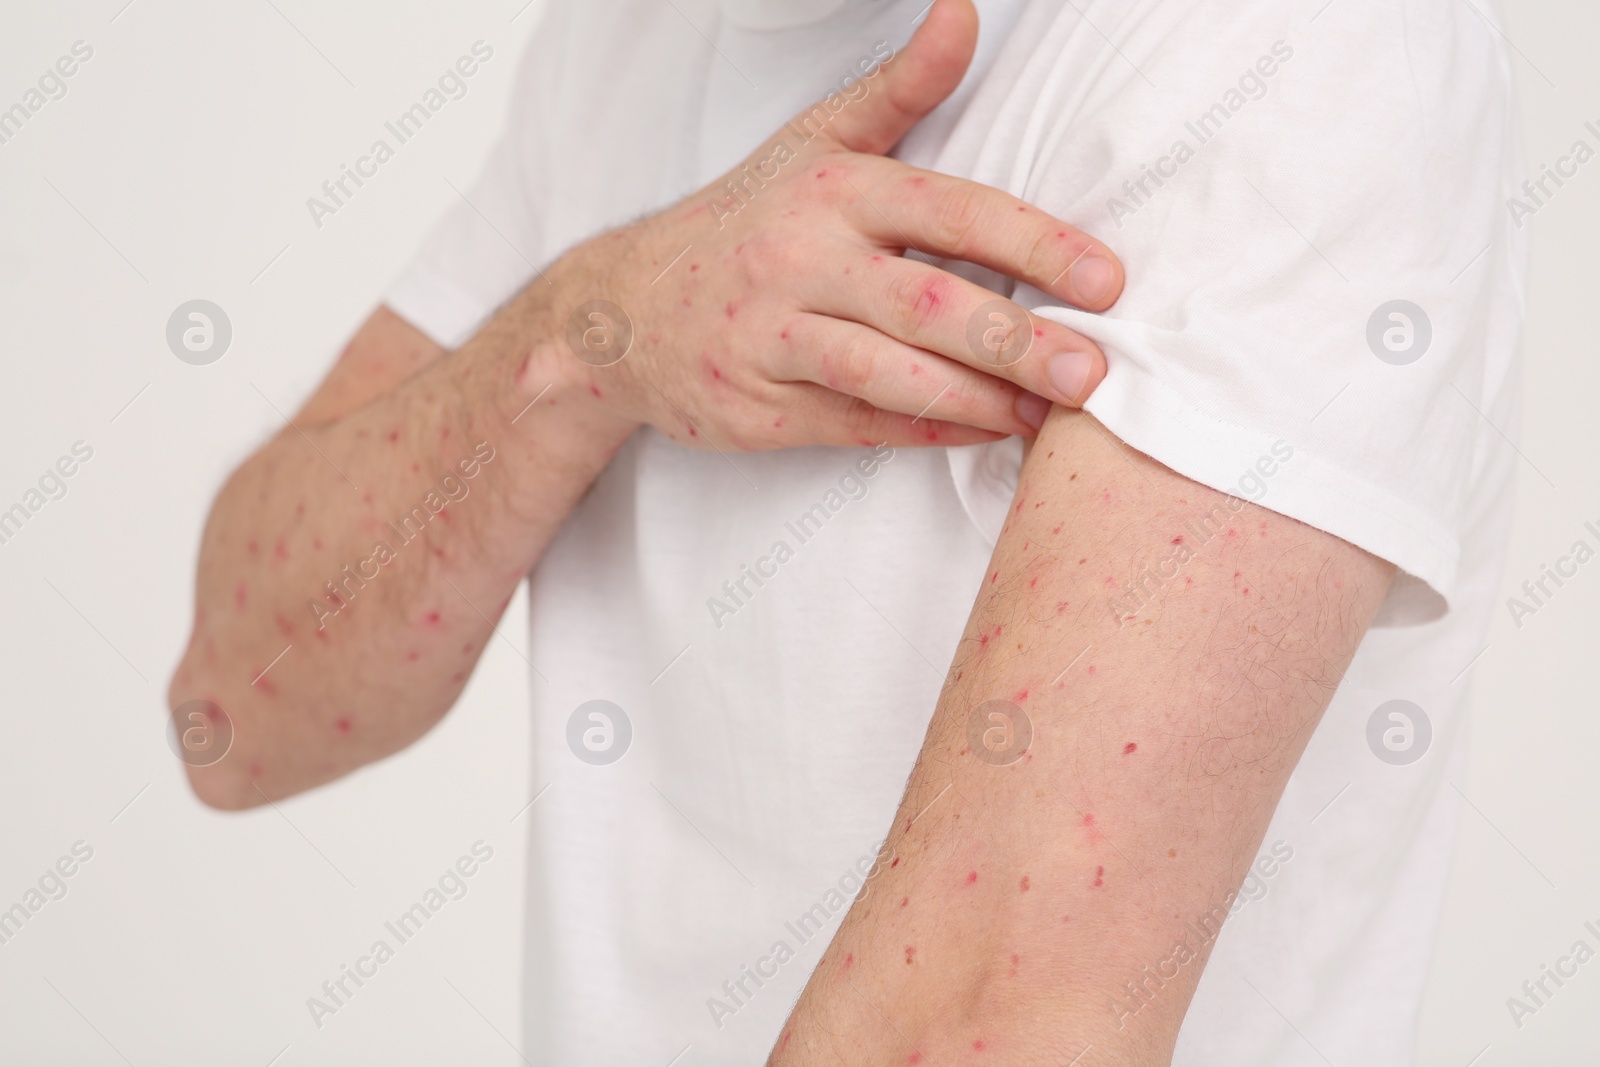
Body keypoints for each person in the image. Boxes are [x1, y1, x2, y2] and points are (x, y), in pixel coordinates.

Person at [169, 0, 1526, 1062]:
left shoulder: (1298, 46)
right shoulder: (622, 32)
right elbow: (238, 708)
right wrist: (590, 339)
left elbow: (985, 1031)